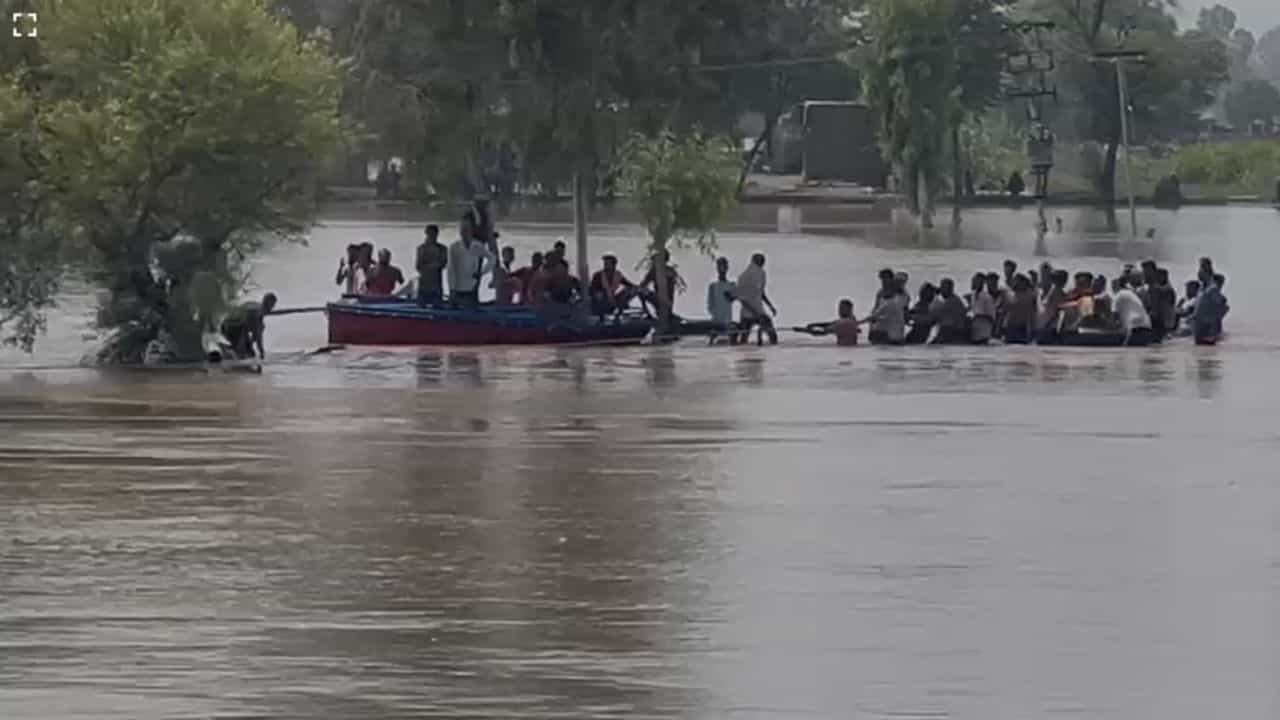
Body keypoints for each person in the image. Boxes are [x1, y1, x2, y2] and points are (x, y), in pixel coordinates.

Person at [447, 212, 492, 307]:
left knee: (472, 313)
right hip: (457, 290)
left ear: (472, 229)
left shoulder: (477, 246)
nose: (463, 230)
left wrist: (482, 272)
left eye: (466, 228)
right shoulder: (454, 247)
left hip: (472, 288)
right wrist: (452, 290)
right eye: (462, 228)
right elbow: (451, 271)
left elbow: (492, 259)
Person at [735, 253, 778, 345]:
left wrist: (770, 306)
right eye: (761, 262)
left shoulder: (744, 276)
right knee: (772, 337)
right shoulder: (756, 274)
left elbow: (761, 293)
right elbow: (743, 298)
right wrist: (757, 313)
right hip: (754, 312)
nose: (762, 264)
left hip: (748, 312)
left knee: (743, 339)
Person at [220, 293, 277, 360]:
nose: (272, 309)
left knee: (250, 352)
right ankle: (233, 350)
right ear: (270, 305)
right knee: (243, 353)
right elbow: (258, 336)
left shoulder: (257, 306)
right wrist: (262, 353)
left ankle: (234, 349)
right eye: (272, 306)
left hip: (226, 325)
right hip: (230, 327)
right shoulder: (256, 313)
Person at [639, 249, 686, 317]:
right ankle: (666, 311)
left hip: (661, 301)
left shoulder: (654, 270)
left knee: (639, 291)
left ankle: (648, 313)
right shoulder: (671, 270)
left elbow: (643, 285)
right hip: (668, 303)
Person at [415, 224, 448, 305]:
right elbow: (418, 266)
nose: (431, 236)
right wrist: (433, 265)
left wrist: (429, 266)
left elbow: (443, 264)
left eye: (433, 234)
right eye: (429, 234)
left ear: (437, 234)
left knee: (437, 309)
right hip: (423, 285)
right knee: (421, 309)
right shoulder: (421, 248)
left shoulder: (442, 249)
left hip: (436, 286)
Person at [705, 257, 737, 343]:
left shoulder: (732, 285)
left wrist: (732, 295)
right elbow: (709, 305)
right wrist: (715, 316)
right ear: (717, 268)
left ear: (727, 268)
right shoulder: (713, 286)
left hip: (727, 321)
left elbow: (733, 298)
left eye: (724, 266)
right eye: (720, 266)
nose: (722, 269)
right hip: (716, 321)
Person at [1192, 273, 1229, 345]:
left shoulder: (1206, 290)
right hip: (1205, 323)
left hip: (1202, 322)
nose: (1222, 285)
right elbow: (1221, 304)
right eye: (1221, 282)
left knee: (1202, 346)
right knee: (1206, 344)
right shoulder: (1212, 289)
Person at [930, 278, 968, 344]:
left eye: (943, 288)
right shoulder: (954, 299)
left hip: (951, 332)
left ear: (950, 289)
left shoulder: (951, 301)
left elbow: (935, 314)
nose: (941, 290)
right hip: (952, 331)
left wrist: (934, 297)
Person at [1003, 274, 1038, 344]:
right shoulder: (1009, 294)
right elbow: (1005, 311)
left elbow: (1032, 314)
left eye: (1020, 281)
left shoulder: (1030, 295)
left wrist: (1032, 330)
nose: (1018, 283)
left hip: (1023, 327)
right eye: (1016, 281)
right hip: (1010, 327)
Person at [1148, 268, 1178, 336]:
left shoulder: (1168, 289)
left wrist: (1152, 286)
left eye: (1159, 276)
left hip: (1166, 322)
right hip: (1162, 321)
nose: (1157, 278)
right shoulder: (1160, 287)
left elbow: (1161, 291)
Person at [969, 273, 996, 344]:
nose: (973, 283)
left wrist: (979, 316)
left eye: (975, 281)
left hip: (984, 330)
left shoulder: (987, 297)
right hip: (974, 330)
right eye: (973, 281)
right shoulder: (973, 296)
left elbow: (992, 316)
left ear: (981, 283)